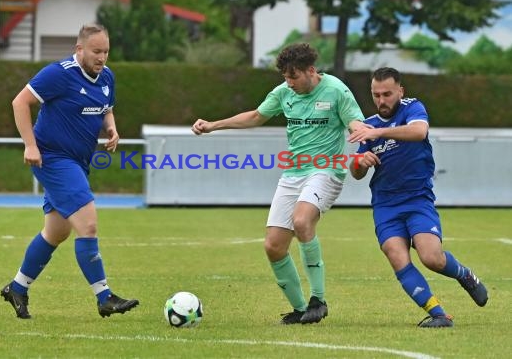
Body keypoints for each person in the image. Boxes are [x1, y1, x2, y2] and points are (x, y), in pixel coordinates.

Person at [192, 43, 367, 324]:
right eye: (285, 77)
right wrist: (213, 125)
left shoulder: (336, 90)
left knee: (301, 221)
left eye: (293, 76)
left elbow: (356, 123)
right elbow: (256, 116)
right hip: (293, 174)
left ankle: (318, 300)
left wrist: (362, 135)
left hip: (326, 171)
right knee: (273, 246)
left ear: (311, 70)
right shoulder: (284, 92)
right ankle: (300, 309)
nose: (289, 82)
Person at [0, 23, 139, 319]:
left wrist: (112, 128)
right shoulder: (59, 73)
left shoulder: (107, 77)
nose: (102, 57)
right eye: (96, 51)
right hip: (53, 158)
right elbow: (20, 102)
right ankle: (104, 296)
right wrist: (30, 146)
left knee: (56, 231)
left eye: (106, 52)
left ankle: (17, 287)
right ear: (79, 49)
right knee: (87, 224)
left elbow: (106, 108)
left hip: (79, 163)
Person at [348, 67, 488, 328]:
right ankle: (438, 314)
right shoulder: (369, 125)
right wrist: (360, 162)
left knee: (431, 257)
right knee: (396, 255)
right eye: (376, 95)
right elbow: (356, 172)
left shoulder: (412, 108)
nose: (381, 100)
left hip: (417, 200)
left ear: (400, 91)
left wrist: (377, 133)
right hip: (386, 204)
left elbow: (419, 132)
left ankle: (465, 275)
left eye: (387, 94)